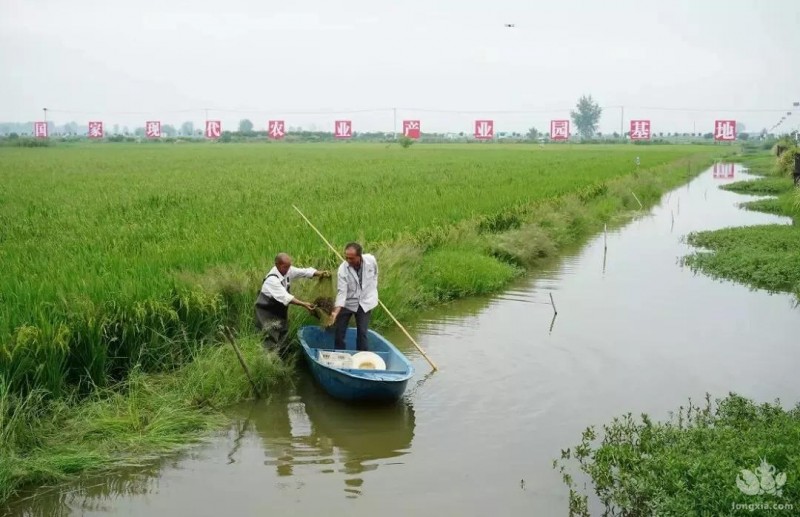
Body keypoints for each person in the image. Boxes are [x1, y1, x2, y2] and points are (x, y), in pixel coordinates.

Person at [254, 252, 329, 357]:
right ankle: (270, 363)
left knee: (283, 333)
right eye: (286, 267)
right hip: (266, 312)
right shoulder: (272, 280)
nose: (289, 269)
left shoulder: (287, 270)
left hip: (279, 310)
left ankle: (284, 360)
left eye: (289, 266)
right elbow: (286, 297)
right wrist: (304, 304)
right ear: (277, 265)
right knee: (269, 337)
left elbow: (304, 272)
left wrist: (320, 273)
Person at [328, 242, 379, 351]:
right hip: (347, 302)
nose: (348, 261)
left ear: (359, 256)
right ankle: (340, 354)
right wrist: (335, 312)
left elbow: (375, 275)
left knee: (362, 333)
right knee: (340, 332)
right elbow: (342, 292)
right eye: (346, 258)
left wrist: (372, 290)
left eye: (351, 258)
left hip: (365, 301)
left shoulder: (371, 260)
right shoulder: (343, 269)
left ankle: (362, 358)